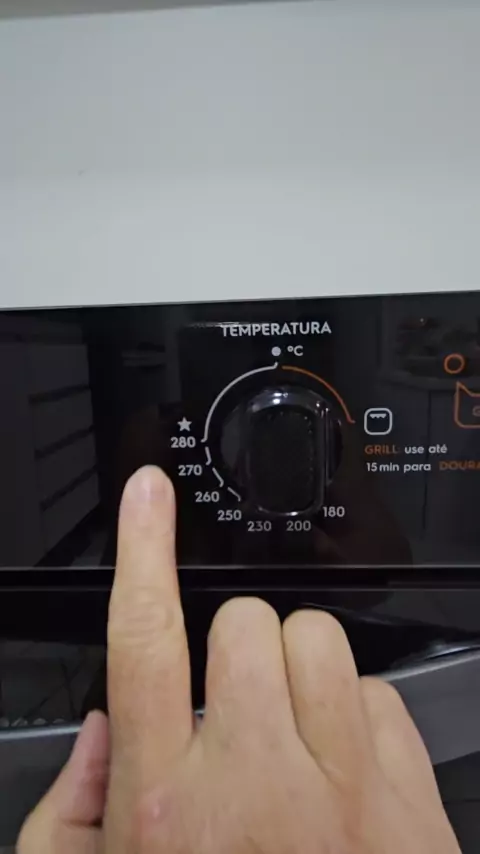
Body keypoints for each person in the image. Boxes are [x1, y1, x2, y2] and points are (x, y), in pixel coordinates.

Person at [18, 466, 461, 853]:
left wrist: (336, 558)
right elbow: (117, 562)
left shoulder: (341, 454)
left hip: (294, 655)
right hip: (175, 657)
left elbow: (388, 560)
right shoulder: (155, 428)